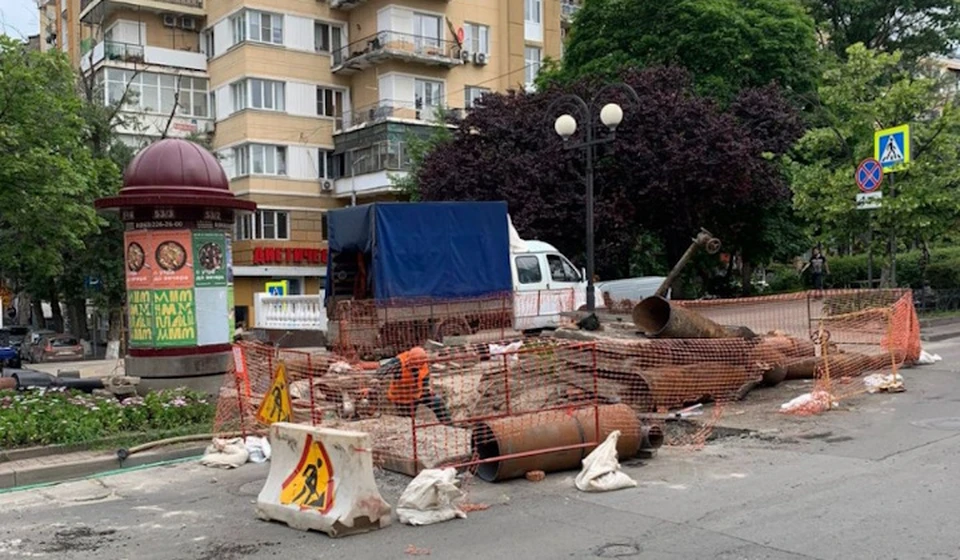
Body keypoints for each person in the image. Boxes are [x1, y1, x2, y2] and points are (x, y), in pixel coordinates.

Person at [374, 346, 452, 425]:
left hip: (418, 393)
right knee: (408, 421)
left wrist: (426, 390)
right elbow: (383, 370)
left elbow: (425, 379)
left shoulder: (424, 362)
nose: (418, 366)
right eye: (415, 364)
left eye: (420, 364)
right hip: (401, 396)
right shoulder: (399, 362)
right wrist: (376, 379)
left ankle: (448, 425)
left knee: (437, 402)